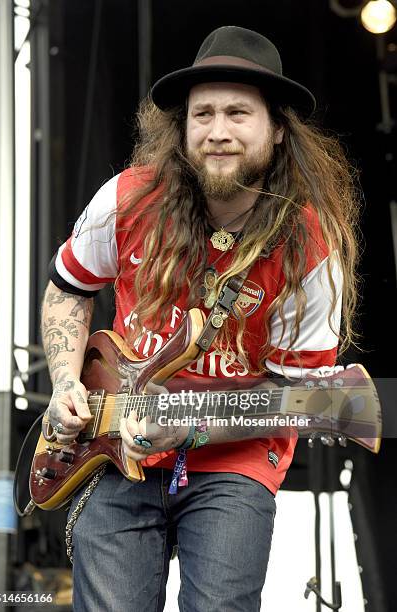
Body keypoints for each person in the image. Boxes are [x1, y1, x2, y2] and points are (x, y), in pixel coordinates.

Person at [42, 26, 359, 612]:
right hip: (115, 440)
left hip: (233, 459)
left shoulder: (312, 245)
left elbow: (306, 397)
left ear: (279, 128)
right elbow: (67, 288)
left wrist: (189, 428)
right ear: (182, 127)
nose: (217, 131)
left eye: (238, 113)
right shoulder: (127, 198)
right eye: (202, 113)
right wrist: (65, 383)